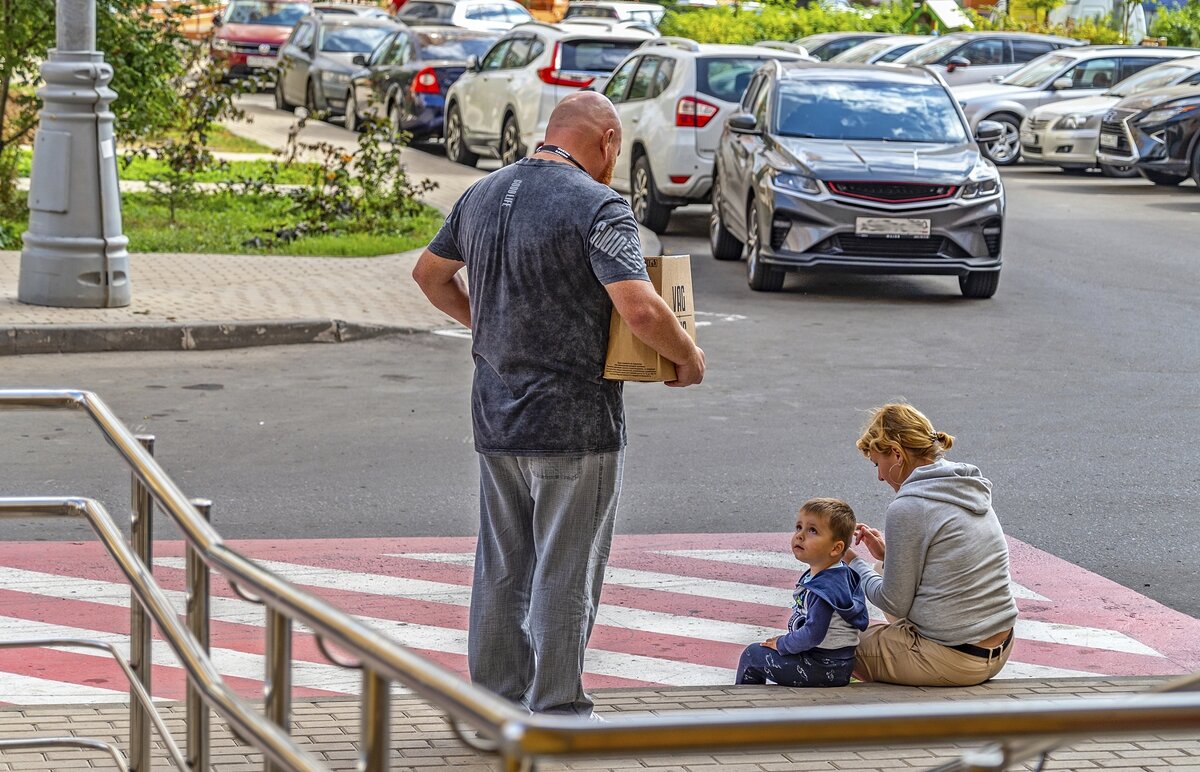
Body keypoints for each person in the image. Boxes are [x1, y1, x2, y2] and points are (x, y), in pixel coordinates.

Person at [411, 91, 706, 717]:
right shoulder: (599, 205)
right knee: (565, 573)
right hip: (576, 422)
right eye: (616, 149)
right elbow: (641, 307)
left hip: (495, 414)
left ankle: (495, 702)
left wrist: (482, 325)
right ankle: (558, 708)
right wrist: (688, 357)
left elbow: (429, 276)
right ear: (603, 141)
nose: (614, 161)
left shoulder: (481, 194)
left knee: (502, 569)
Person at [846, 403, 1018, 687]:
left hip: (954, 660)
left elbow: (893, 604)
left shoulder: (909, 507)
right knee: (882, 565)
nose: (879, 476)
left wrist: (852, 561)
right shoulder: (965, 484)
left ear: (898, 455)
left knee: (834, 648)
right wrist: (889, 556)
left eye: (879, 464)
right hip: (999, 648)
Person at [736, 498, 868, 687]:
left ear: (836, 548)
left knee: (753, 655)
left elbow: (813, 634)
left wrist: (782, 644)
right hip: (838, 664)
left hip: (822, 666)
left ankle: (742, 712)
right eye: (799, 527)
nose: (800, 535)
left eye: (812, 530)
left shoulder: (823, 589)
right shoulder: (839, 574)